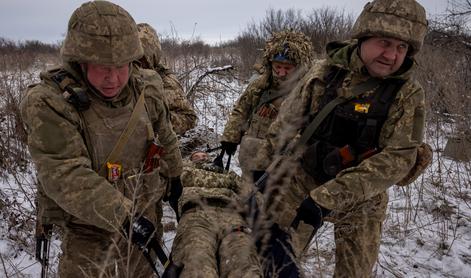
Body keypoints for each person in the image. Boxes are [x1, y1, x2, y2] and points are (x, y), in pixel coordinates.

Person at [255, 0, 429, 276]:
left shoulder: (408, 94)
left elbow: (398, 158)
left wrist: (328, 197)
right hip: (304, 177)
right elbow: (286, 122)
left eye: (401, 47)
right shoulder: (324, 72)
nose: (392, 55)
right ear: (363, 37)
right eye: (384, 42)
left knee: (354, 272)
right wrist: (263, 168)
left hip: (362, 197)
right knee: (271, 260)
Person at [20, 1, 183, 277]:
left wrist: (176, 179)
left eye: (122, 65)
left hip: (145, 224)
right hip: (90, 237)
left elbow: (164, 136)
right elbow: (65, 174)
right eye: (101, 66)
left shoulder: (148, 86)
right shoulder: (50, 103)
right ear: (79, 60)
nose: (113, 78)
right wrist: (124, 215)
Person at [220, 30, 314, 197]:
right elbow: (241, 109)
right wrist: (230, 136)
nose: (281, 72)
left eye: (287, 68)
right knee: (249, 202)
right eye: (277, 67)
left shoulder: (308, 91)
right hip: (252, 157)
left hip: (284, 162)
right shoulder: (259, 86)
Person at [166, 151, 262, 278]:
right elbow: (178, 178)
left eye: (205, 156)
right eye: (196, 156)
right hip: (197, 214)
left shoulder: (228, 174)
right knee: (196, 259)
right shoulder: (183, 169)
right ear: (190, 160)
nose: (202, 158)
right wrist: (225, 182)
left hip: (232, 215)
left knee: (244, 259)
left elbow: (250, 192)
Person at [137, 22, 197, 136]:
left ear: (151, 55)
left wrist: (157, 119)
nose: (136, 64)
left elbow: (189, 119)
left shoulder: (165, 81)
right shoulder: (121, 75)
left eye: (141, 59)